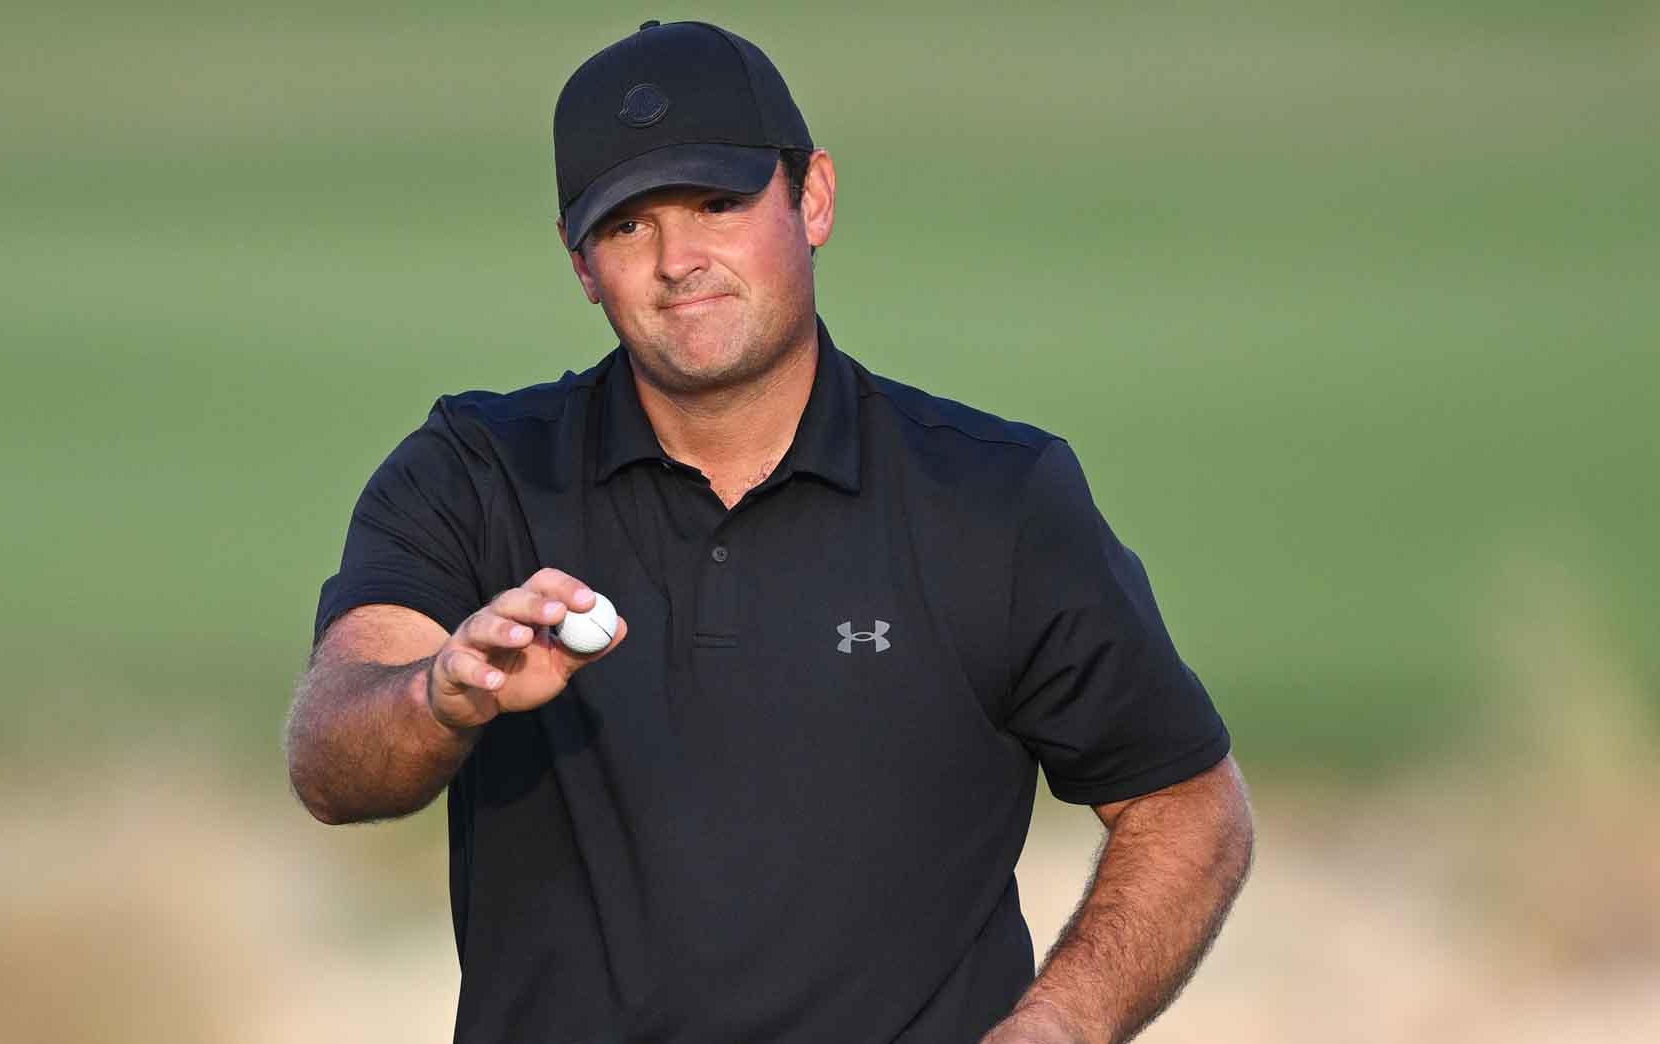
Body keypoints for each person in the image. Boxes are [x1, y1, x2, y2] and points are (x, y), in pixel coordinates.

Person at [286, 19, 1253, 1044]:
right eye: (626, 226)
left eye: (717, 202)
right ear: (579, 264)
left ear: (813, 197)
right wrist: (442, 694)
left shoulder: (993, 497)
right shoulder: (476, 470)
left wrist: (1056, 1026)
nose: (676, 260)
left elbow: (1187, 807)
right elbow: (330, 757)